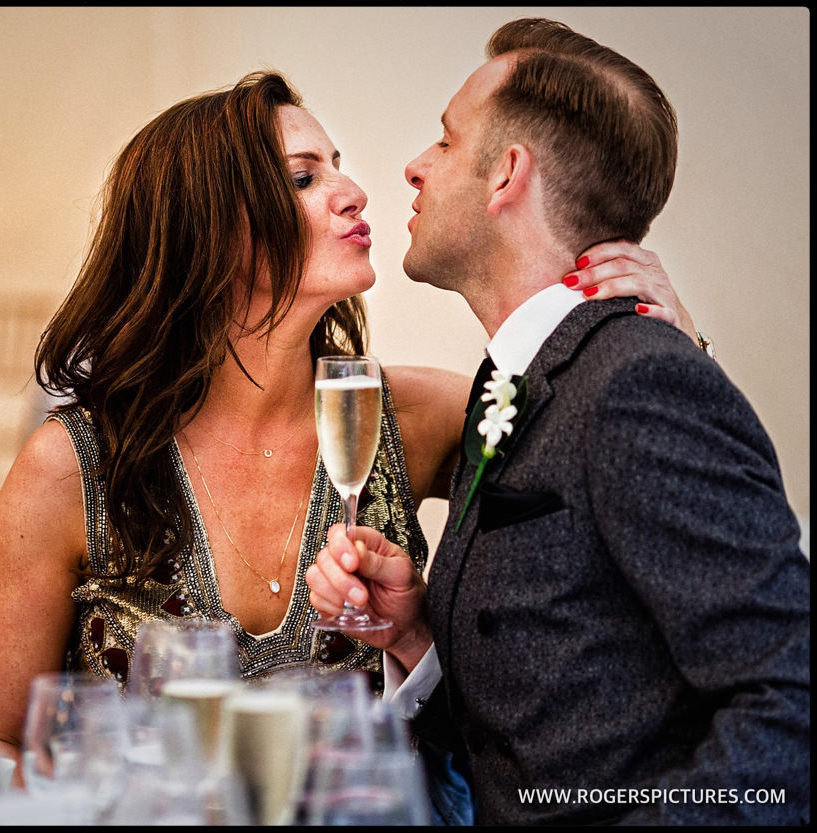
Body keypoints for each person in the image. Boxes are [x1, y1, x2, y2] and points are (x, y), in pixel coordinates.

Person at [0, 67, 691, 787]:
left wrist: (674, 343)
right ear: (209, 234)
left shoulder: (408, 417)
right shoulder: (75, 468)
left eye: (337, 168)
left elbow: (624, 470)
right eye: (303, 180)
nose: (354, 193)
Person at [305, 18, 810, 825]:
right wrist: (416, 636)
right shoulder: (516, 385)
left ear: (506, 174)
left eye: (443, 140)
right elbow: (538, 732)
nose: (413, 166)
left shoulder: (637, 380)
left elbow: (793, 701)